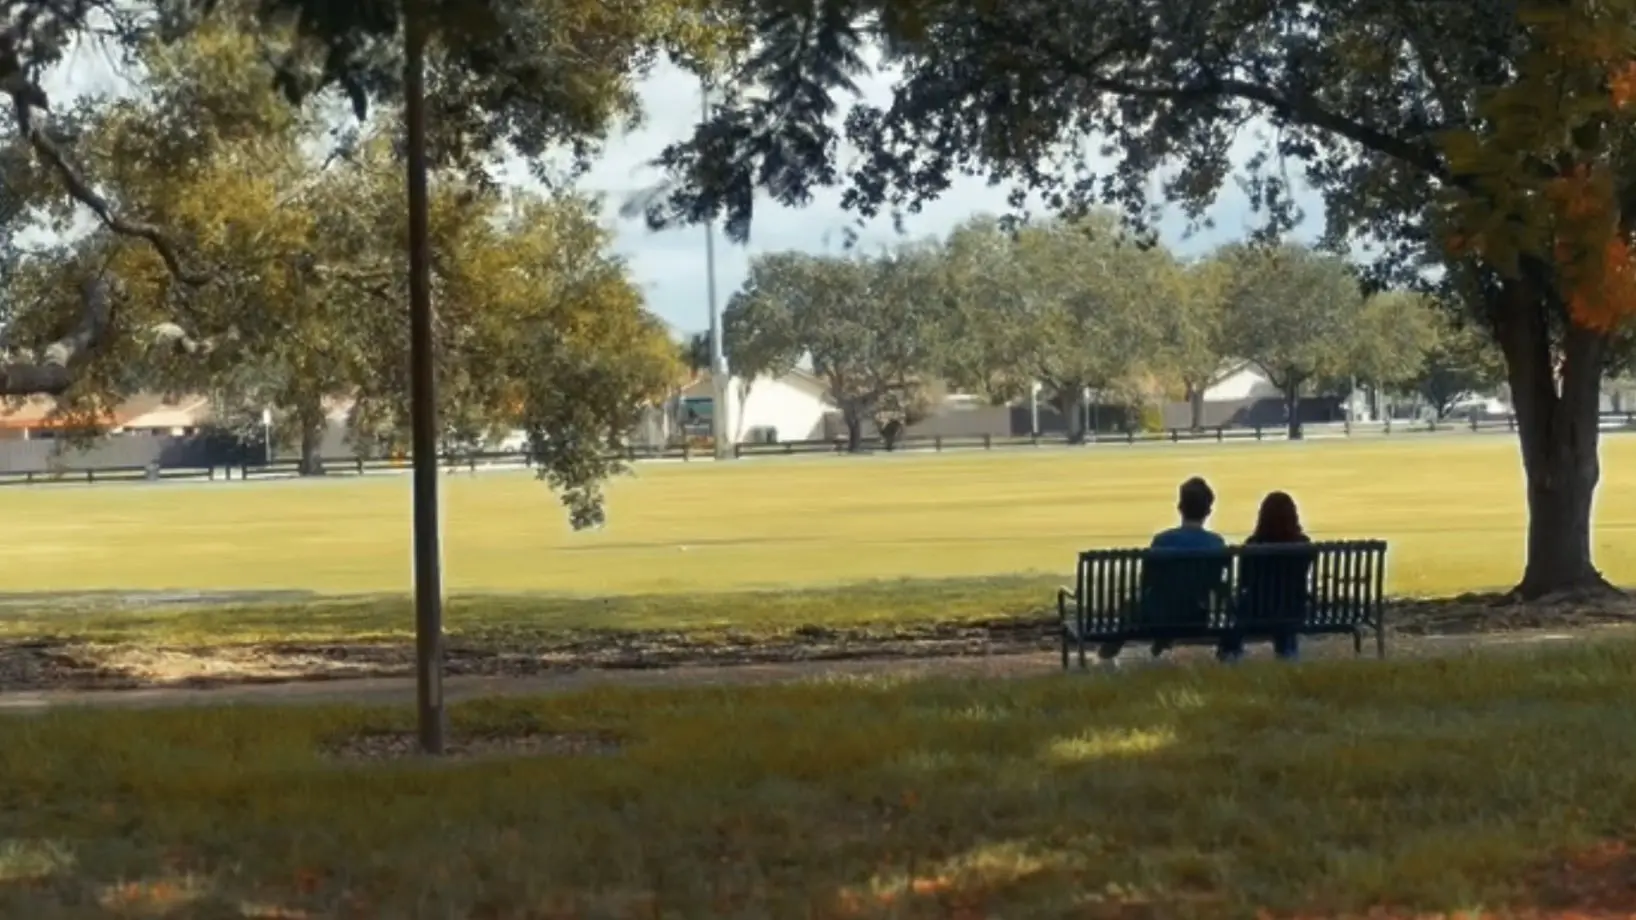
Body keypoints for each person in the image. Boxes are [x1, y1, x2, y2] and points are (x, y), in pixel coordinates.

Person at [1095, 476, 1226, 667]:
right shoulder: (1216, 543)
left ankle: (1105, 656)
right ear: (1208, 511)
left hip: (1159, 617)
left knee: (1135, 606)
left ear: (1180, 507)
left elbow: (1148, 582)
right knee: (1173, 601)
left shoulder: (1163, 541)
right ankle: (1160, 646)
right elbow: (1215, 585)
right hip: (1197, 617)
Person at [1219, 490, 1313, 663]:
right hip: (1292, 611)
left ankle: (1231, 657)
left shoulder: (1253, 545)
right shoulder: (1304, 545)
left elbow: (1244, 582)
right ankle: (1287, 653)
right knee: (1284, 618)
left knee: (1236, 613)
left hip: (1256, 613)